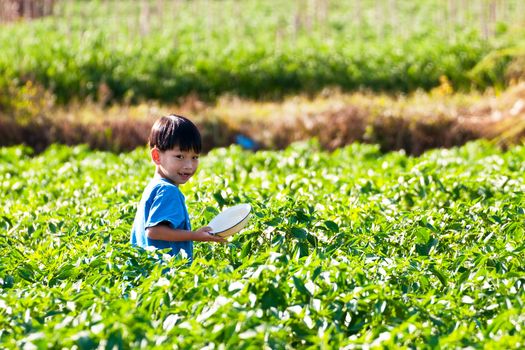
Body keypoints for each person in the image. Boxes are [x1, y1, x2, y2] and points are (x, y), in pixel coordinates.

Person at [130, 114, 225, 262]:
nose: (189, 166)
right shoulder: (168, 190)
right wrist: (196, 235)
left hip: (145, 272)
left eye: (194, 157)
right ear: (157, 156)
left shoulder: (154, 186)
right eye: (180, 156)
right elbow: (155, 231)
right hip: (164, 276)